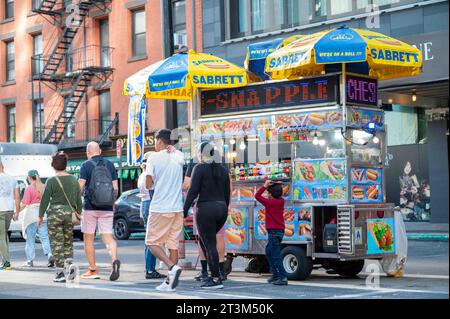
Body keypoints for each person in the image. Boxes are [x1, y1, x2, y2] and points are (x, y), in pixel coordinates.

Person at [184, 142, 230, 290]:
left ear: (201, 154)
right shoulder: (223, 169)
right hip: (221, 209)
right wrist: (224, 209)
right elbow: (227, 194)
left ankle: (216, 279)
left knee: (209, 245)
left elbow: (192, 191)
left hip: (206, 208)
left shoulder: (199, 168)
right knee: (207, 244)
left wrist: (183, 211)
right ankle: (214, 275)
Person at [145, 129, 184, 292]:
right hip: (177, 208)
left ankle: (171, 267)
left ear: (160, 141)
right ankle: (169, 282)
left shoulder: (153, 157)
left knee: (151, 242)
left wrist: (153, 181)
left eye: (155, 141)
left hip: (160, 207)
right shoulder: (179, 156)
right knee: (172, 245)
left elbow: (148, 184)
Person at [79, 142, 120, 281]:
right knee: (108, 237)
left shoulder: (86, 165)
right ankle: (114, 260)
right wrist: (111, 203)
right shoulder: (110, 164)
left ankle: (92, 269)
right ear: (100, 151)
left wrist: (77, 203)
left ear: (88, 152)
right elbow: (115, 188)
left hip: (90, 207)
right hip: (107, 207)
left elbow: (80, 186)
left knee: (88, 238)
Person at [39, 151, 82, 282]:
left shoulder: (51, 181)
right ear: (66, 164)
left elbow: (45, 200)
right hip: (69, 214)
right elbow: (78, 200)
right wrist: (78, 212)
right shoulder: (74, 180)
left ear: (53, 165)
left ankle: (59, 273)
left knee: (57, 244)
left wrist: (40, 216)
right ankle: (69, 268)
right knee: (68, 242)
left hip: (55, 216)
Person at [15, 170, 54, 268]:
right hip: (43, 215)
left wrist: (16, 212)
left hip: (31, 216)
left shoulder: (29, 188)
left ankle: (30, 260)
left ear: (29, 178)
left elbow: (24, 204)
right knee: (45, 237)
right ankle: (50, 255)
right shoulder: (45, 187)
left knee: (30, 239)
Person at [138, 153, 165, 280]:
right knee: (153, 239)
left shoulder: (141, 175)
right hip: (150, 204)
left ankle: (149, 268)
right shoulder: (149, 176)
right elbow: (154, 191)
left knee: (149, 239)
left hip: (144, 204)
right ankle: (150, 269)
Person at [255, 180, 288, 286]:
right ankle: (275, 275)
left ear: (271, 194)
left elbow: (257, 195)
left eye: (268, 193)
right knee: (269, 251)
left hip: (273, 232)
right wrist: (277, 185)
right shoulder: (281, 201)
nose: (267, 194)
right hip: (279, 231)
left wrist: (265, 186)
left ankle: (282, 277)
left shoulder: (270, 203)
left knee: (275, 255)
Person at [0, 157, 20, 270]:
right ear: (3, 166)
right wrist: (16, 212)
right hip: (9, 209)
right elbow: (17, 196)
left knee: (1, 236)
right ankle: (4, 260)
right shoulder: (12, 179)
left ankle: (6, 262)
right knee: (4, 235)